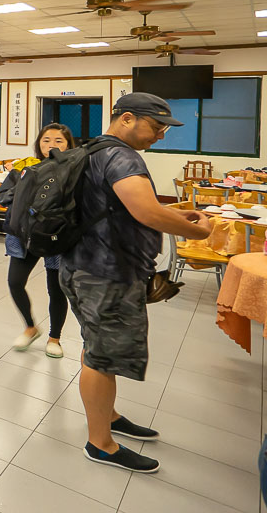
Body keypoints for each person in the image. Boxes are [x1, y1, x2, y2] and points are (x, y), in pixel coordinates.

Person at [61, 93, 212, 474]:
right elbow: (144, 211)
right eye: (156, 127)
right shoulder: (123, 156)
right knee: (101, 356)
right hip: (106, 274)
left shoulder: (92, 150)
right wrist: (197, 232)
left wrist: (174, 212)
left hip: (79, 267)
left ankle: (107, 416)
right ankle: (101, 444)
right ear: (127, 118)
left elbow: (114, 208)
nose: (160, 135)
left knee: (96, 346)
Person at [5, 123, 75, 358]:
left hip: (57, 236)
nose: (51, 145)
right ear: (38, 143)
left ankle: (55, 338)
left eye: (58, 141)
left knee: (56, 289)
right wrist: (22, 188)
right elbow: (3, 195)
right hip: (25, 235)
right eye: (46, 140)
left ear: (68, 145)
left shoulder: (74, 170)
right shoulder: (25, 167)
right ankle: (30, 326)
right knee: (15, 282)